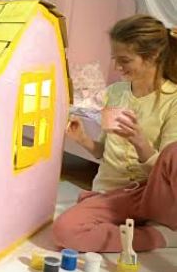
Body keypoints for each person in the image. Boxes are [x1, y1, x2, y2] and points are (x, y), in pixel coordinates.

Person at [53, 14, 177, 252]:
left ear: (153, 57)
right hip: (113, 194)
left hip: (153, 194)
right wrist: (83, 140)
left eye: (125, 60)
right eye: (115, 59)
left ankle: (148, 223)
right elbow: (103, 151)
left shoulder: (173, 100)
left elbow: (168, 170)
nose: (117, 67)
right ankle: (155, 236)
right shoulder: (115, 93)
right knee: (64, 230)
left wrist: (140, 143)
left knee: (174, 152)